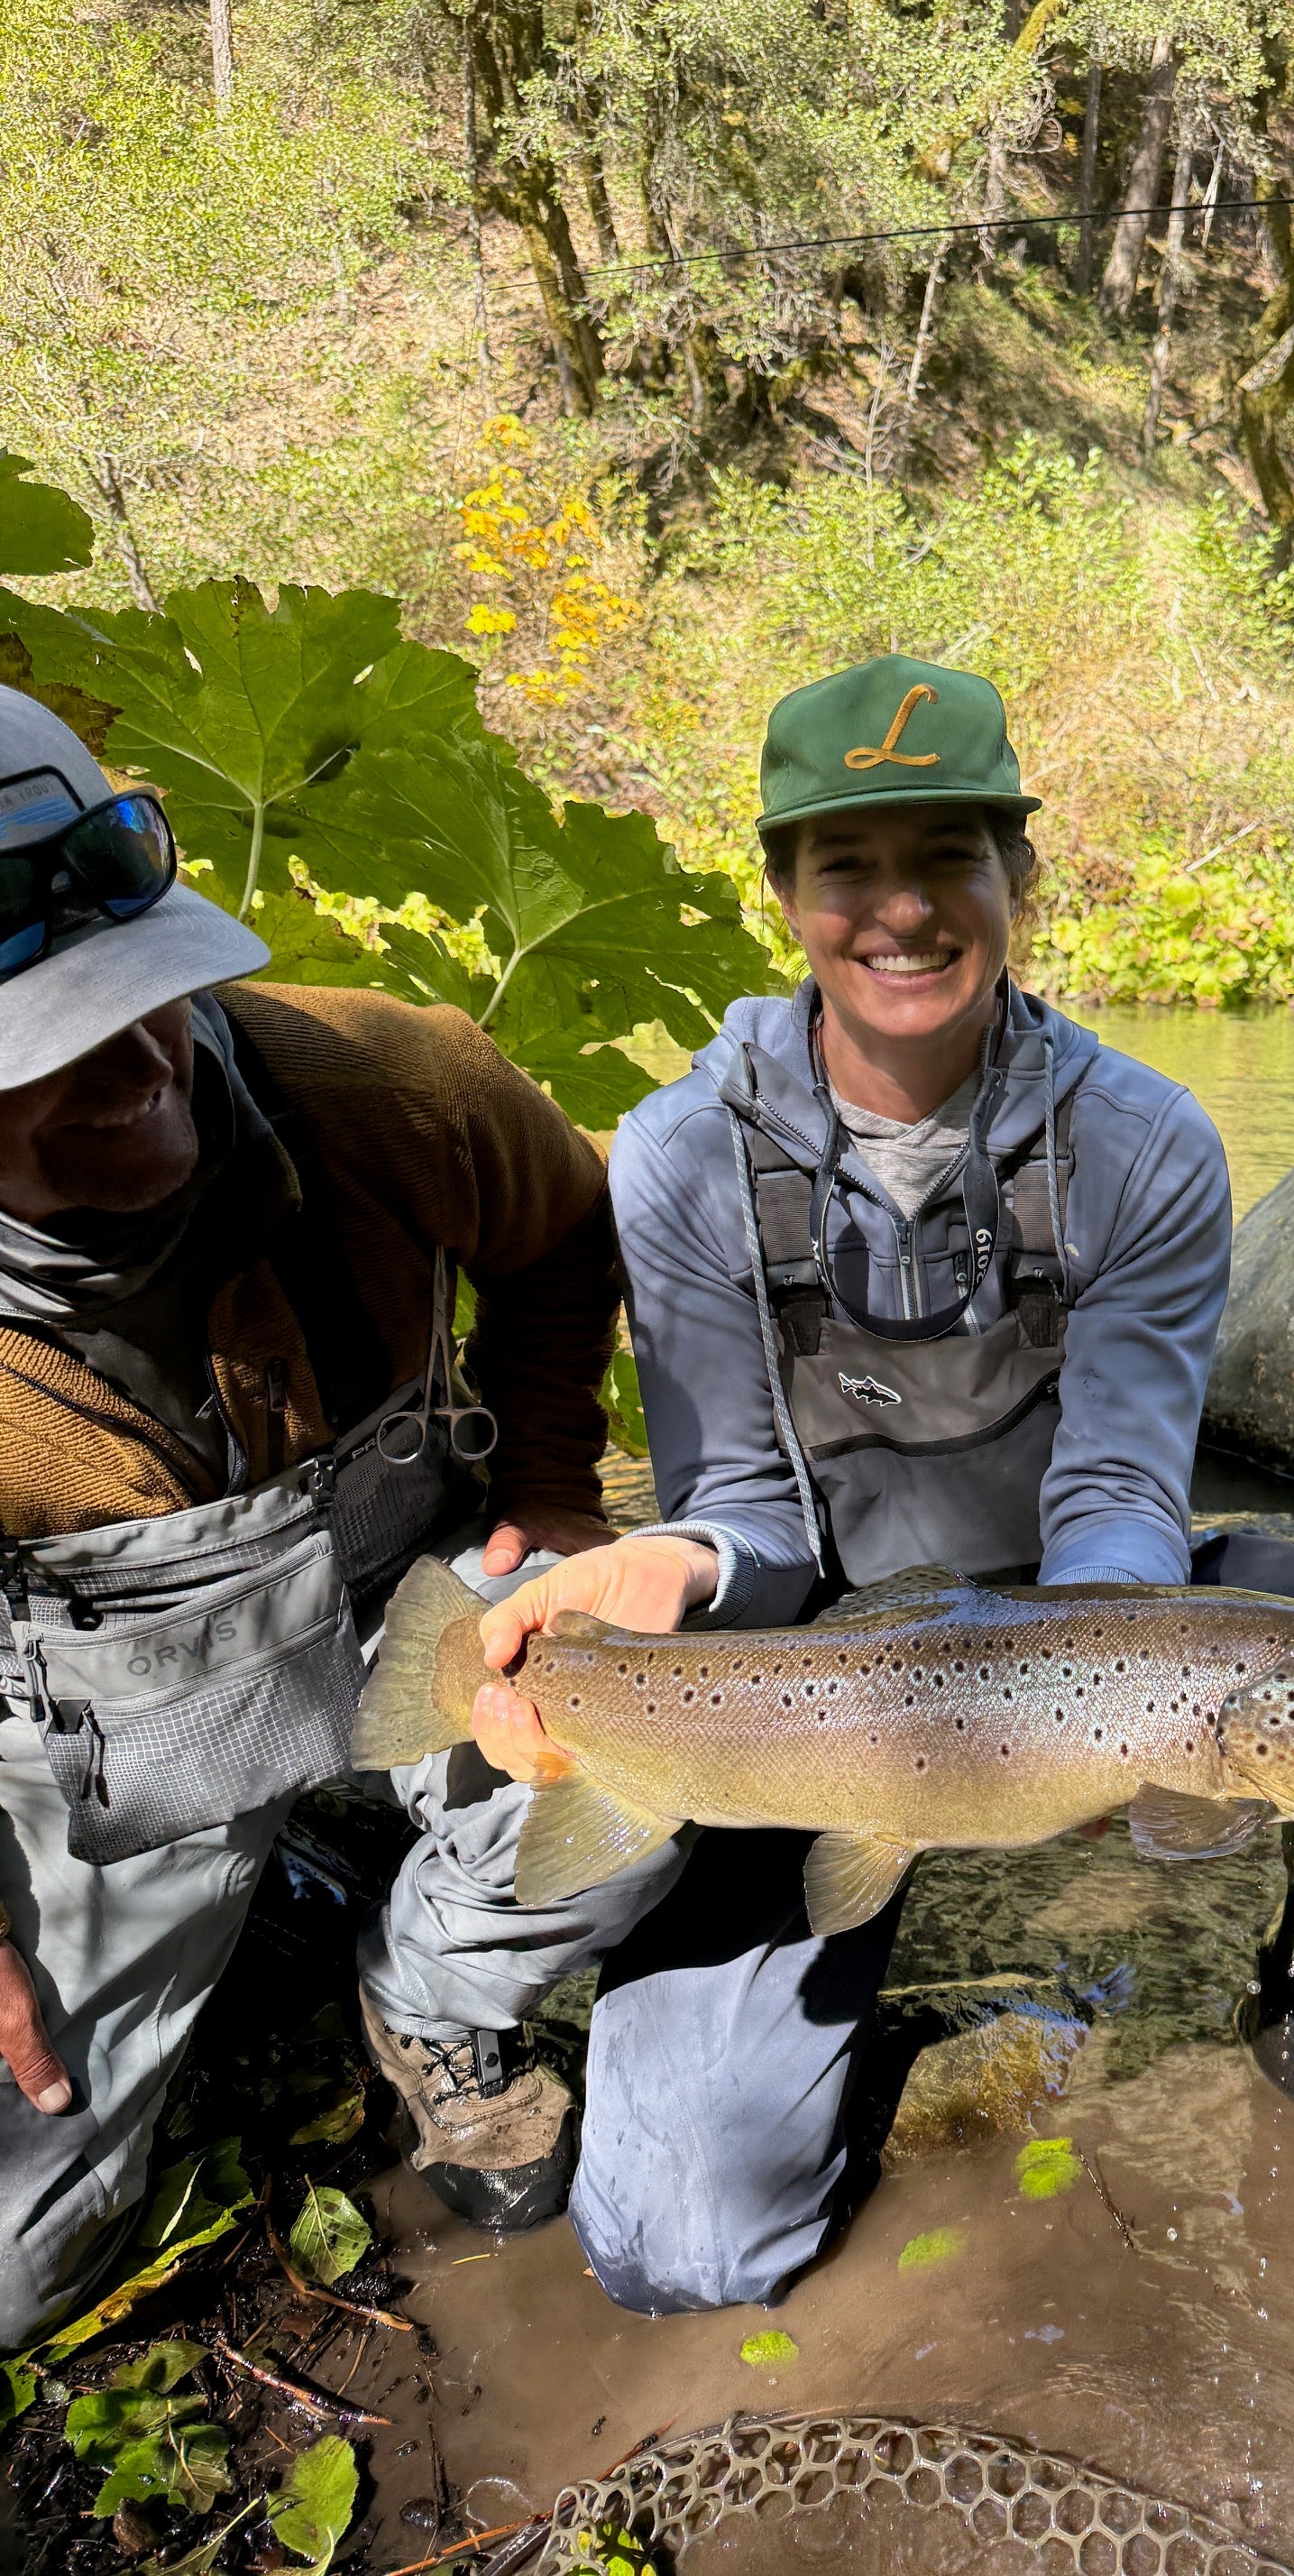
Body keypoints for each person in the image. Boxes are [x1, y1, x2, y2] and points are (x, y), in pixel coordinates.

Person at [467, 654, 1294, 2318]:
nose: (899, 912)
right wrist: (669, 1575)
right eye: (848, 867)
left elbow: (1123, 1473)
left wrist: (1125, 1687)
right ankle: (832, 2035)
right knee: (675, 2254)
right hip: (820, 1640)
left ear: (1017, 881)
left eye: (947, 863)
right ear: (785, 895)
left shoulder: (1143, 1141)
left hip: (1092, 1599)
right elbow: (742, 1507)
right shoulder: (682, 1153)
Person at [0, 685, 642, 2351]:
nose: (137, 1064)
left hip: (403, 1606)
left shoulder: (375, 1081)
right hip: (90, 1734)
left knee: (671, 1714)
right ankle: (268, 1874)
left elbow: (570, 1241)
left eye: (139, 991)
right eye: (39, 1046)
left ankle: (425, 1991)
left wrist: (558, 1497)